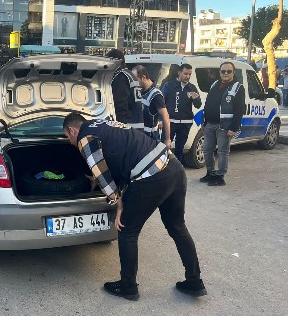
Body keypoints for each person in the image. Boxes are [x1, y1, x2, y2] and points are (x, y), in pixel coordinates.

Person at [63, 113, 205, 301]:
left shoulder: (84, 137)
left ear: (73, 130)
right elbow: (121, 156)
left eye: (67, 137)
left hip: (151, 176)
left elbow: (101, 171)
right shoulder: (104, 123)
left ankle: (128, 287)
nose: (70, 141)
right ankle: (194, 281)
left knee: (127, 230)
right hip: (173, 167)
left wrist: (117, 203)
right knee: (177, 227)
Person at [200, 62, 246, 187]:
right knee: (207, 150)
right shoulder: (215, 84)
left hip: (224, 126)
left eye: (228, 71)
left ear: (233, 72)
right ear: (219, 72)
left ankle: (220, 177)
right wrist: (204, 121)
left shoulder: (238, 87)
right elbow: (208, 103)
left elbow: (239, 109)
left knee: (222, 152)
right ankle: (211, 173)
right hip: (210, 124)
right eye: (223, 71)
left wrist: (233, 128)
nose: (225, 74)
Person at [161, 63, 202, 163]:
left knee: (180, 148)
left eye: (189, 74)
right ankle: (162, 168)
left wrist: (196, 99)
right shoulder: (169, 85)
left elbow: (198, 105)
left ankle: (177, 168)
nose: (187, 76)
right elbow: (161, 103)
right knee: (164, 147)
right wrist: (160, 120)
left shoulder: (192, 87)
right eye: (185, 74)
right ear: (179, 72)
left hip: (185, 123)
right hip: (170, 122)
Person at [131, 65, 171, 146]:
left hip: (149, 140)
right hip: (137, 137)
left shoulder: (156, 95)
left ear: (143, 77)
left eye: (135, 79)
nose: (133, 82)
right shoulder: (139, 91)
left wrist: (167, 139)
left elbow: (165, 116)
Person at [105, 49, 144, 131]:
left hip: (127, 127)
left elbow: (120, 105)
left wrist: (118, 127)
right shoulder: (129, 74)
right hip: (136, 124)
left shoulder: (120, 77)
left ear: (114, 61)